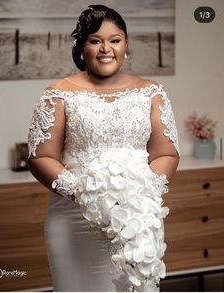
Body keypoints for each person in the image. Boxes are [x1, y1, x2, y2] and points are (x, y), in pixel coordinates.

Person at [27, 4, 180, 292]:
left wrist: (140, 195)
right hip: (75, 219)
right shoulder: (57, 94)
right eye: (95, 40)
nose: (105, 49)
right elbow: (41, 156)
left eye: (115, 40)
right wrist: (88, 196)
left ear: (126, 45)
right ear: (81, 46)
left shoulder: (152, 93)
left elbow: (166, 154)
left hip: (136, 219)